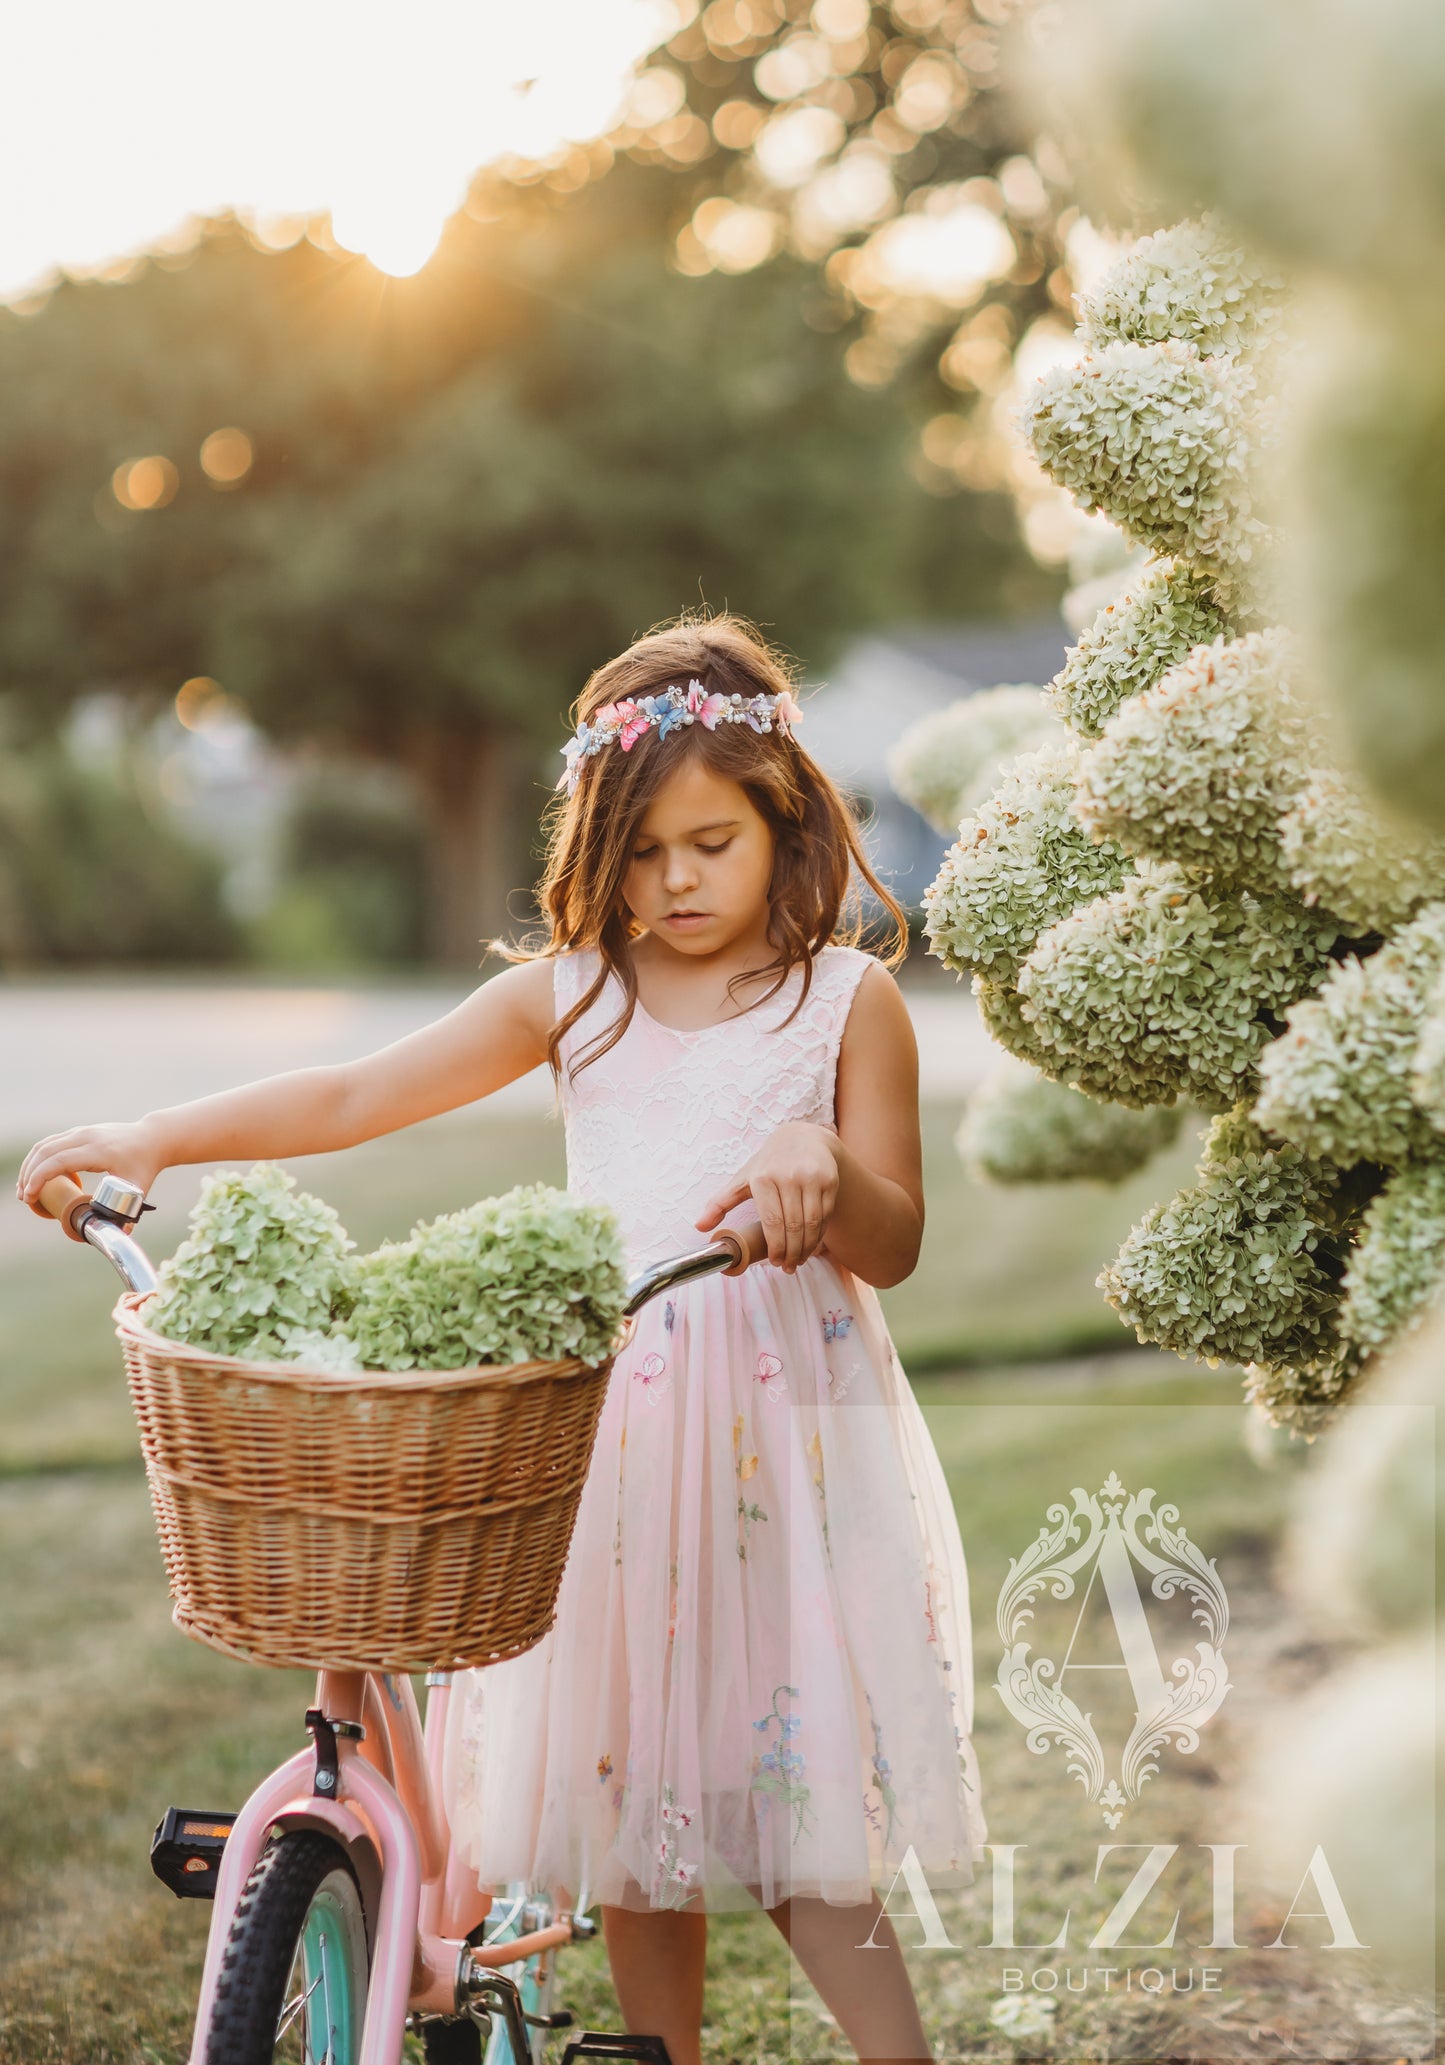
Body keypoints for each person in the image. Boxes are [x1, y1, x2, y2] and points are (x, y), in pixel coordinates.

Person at [18, 613, 985, 2065]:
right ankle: (659, 2053)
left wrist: (824, 1175)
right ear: (602, 850)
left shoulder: (842, 1005)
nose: (674, 882)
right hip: (606, 1432)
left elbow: (893, 1238)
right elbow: (354, 1095)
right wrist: (160, 1132)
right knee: (633, 1788)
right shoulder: (579, 992)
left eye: (709, 844)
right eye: (644, 852)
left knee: (793, 1808)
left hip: (775, 1444)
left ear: (784, 822)